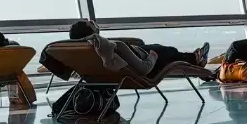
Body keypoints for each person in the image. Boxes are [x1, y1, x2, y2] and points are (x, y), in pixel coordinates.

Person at [41, 20, 209, 80]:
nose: (94, 23)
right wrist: (152, 56)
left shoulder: (80, 53)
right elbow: (144, 69)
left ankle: (195, 62)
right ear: (92, 33)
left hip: (112, 74)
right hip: (142, 65)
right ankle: (195, 60)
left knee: (165, 52)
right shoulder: (114, 46)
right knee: (167, 51)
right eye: (91, 24)